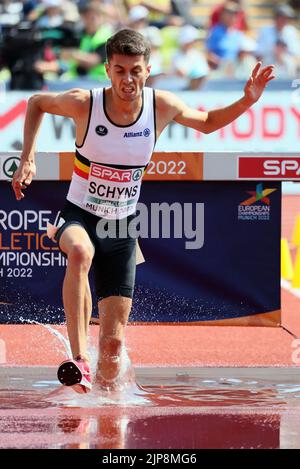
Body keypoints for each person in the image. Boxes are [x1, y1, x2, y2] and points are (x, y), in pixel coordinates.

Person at [11, 28, 274, 393]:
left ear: (147, 70)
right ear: (108, 70)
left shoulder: (160, 106)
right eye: (120, 70)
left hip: (120, 227)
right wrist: (28, 160)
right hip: (79, 214)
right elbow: (37, 102)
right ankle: (78, 360)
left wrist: (247, 100)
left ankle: (105, 410)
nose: (128, 79)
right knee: (80, 252)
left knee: (114, 344)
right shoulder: (84, 103)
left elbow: (209, 123)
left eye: (135, 70)